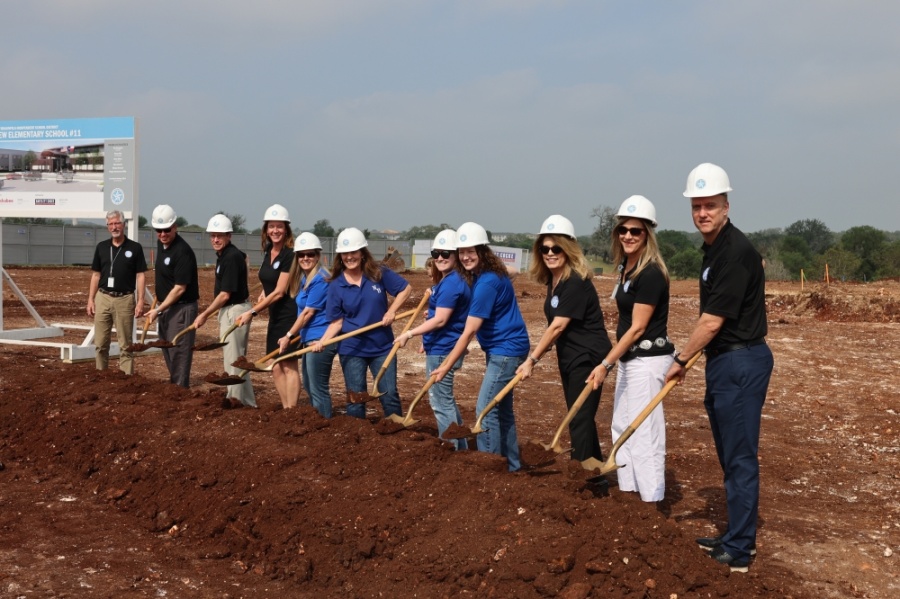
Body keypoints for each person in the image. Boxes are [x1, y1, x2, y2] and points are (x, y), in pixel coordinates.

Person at [665, 163, 773, 572]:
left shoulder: (734, 251)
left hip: (741, 361)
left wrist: (679, 360)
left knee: (740, 458)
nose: (702, 213)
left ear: (726, 205)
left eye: (710, 205)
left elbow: (712, 321)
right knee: (730, 455)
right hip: (724, 360)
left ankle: (741, 550)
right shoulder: (715, 248)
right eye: (697, 206)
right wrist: (694, 359)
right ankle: (734, 535)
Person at [587, 197, 673, 502]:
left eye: (635, 231)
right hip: (629, 360)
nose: (627, 235)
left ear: (647, 234)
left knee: (645, 431)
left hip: (647, 361)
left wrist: (605, 363)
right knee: (622, 425)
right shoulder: (627, 267)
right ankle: (629, 493)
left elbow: (637, 328)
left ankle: (651, 502)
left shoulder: (650, 273)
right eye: (623, 229)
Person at [432, 222, 530, 471]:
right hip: (509, 347)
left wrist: (444, 366)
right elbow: (513, 271)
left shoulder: (486, 283)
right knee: (502, 410)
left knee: (485, 409)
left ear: (482, 251)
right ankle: (512, 466)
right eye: (461, 251)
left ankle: (489, 469)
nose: (465, 256)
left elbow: (469, 332)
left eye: (471, 251)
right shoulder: (490, 275)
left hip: (505, 351)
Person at [518, 215, 612, 463]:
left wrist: (532, 359)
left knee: (579, 417)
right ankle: (594, 475)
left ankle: (580, 473)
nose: (550, 253)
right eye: (544, 248)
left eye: (556, 248)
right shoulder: (555, 280)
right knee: (579, 415)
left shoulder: (575, 282)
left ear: (568, 248)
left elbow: (557, 326)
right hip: (570, 356)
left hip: (588, 357)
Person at [314, 227, 411, 419]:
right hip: (352, 349)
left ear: (362, 253)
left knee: (389, 394)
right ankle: (358, 439)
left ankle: (398, 434)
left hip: (382, 347)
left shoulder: (377, 273)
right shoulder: (335, 285)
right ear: (340, 256)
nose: (350, 257)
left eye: (354, 252)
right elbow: (336, 322)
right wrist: (322, 341)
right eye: (345, 253)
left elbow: (405, 289)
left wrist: (391, 311)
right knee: (356, 399)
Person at [395, 229, 472, 449]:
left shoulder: (451, 283)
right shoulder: (453, 280)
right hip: (442, 345)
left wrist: (409, 333)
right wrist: (426, 337)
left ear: (456, 254)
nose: (440, 257)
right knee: (445, 398)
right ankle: (460, 445)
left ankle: (452, 448)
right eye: (436, 253)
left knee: (440, 401)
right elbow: (445, 315)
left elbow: (440, 320)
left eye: (445, 253)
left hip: (444, 349)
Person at [237, 204, 297, 408]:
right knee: (275, 366)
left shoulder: (290, 254)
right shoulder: (268, 252)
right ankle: (286, 407)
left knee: (288, 364)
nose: (275, 231)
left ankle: (293, 410)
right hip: (275, 316)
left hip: (289, 316)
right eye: (271, 226)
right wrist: (264, 291)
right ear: (266, 229)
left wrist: (252, 311)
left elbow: (280, 291)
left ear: (286, 229)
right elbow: (270, 282)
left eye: (279, 226)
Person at [193, 214, 255, 408]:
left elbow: (224, 295)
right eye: (213, 235)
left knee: (234, 361)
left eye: (220, 235)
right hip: (232, 310)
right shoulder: (227, 255)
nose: (215, 239)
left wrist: (204, 314)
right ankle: (248, 403)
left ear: (229, 236)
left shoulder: (230, 257)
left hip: (234, 311)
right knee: (236, 359)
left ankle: (235, 401)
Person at [278, 233, 336, 417]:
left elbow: (308, 313)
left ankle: (325, 423)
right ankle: (318, 421)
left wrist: (288, 336)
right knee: (310, 386)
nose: (305, 258)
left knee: (318, 388)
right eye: (301, 255)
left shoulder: (321, 278)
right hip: (309, 337)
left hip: (320, 339)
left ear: (318, 255)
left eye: (310, 254)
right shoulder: (306, 278)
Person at [86, 210, 147, 374]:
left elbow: (140, 276)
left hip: (124, 299)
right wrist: (91, 299)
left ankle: (126, 379)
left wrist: (141, 300)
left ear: (124, 225)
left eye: (117, 223)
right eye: (111, 224)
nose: (114, 227)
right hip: (103, 297)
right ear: (107, 227)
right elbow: (96, 275)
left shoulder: (135, 248)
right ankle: (101, 375)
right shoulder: (101, 247)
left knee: (126, 345)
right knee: (100, 343)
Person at [146, 204, 200, 388]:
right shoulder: (162, 245)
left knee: (179, 352)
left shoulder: (182, 252)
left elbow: (179, 288)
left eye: (167, 230)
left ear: (175, 227)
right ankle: (175, 388)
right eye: (158, 230)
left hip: (181, 309)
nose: (162, 234)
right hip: (166, 308)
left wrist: (158, 309)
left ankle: (179, 392)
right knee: (168, 350)